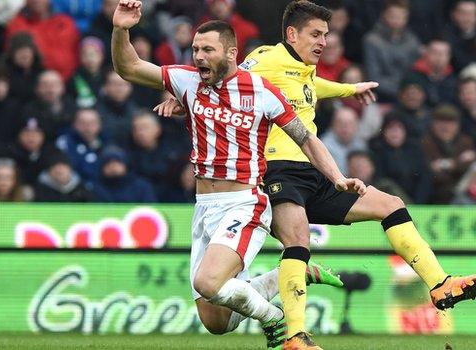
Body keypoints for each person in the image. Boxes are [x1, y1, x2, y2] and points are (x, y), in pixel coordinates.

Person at [156, 1, 475, 348]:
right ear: (292, 34)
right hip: (277, 171)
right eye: (316, 34)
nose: (324, 41)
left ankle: (440, 283)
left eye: (326, 34)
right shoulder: (266, 58)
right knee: (296, 242)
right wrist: (179, 93)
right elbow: (223, 72)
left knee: (391, 205)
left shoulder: (302, 69)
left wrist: (348, 90)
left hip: (315, 172)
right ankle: (294, 335)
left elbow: (312, 87)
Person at [112, 1, 362, 348]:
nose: (198, 56)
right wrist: (121, 29)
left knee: (209, 282)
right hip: (204, 206)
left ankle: (277, 321)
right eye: (196, 49)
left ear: (231, 53)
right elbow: (129, 68)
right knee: (218, 322)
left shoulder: (261, 92)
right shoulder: (187, 81)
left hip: (244, 203)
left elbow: (307, 139)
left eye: (207, 50)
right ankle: (290, 275)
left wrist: (337, 178)